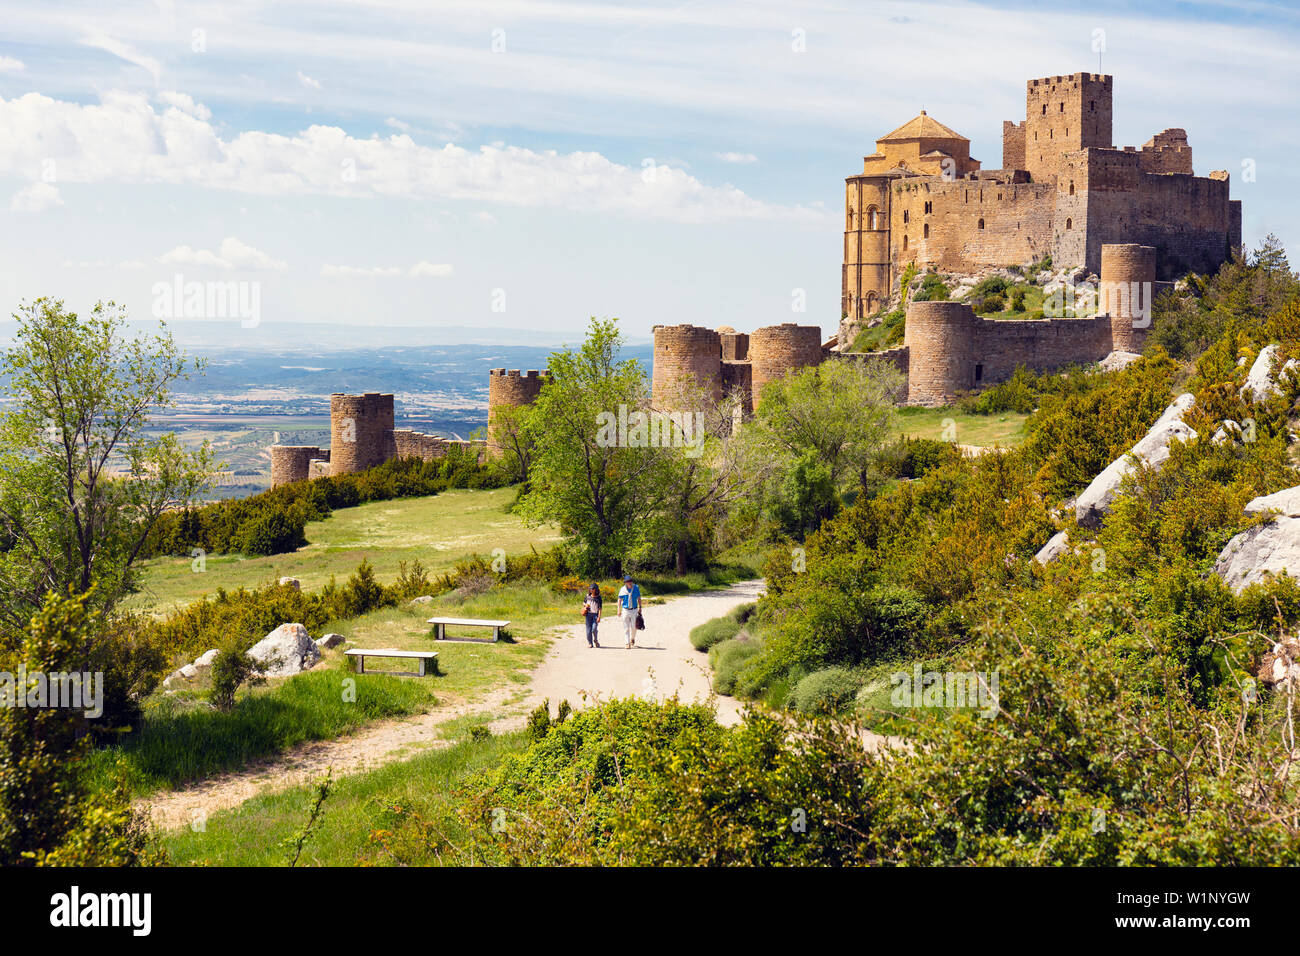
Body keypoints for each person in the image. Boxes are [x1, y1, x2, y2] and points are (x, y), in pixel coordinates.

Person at [617, 574, 641, 649]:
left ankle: (632, 638)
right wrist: (619, 609)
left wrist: (640, 607)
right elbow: (619, 599)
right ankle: (627, 643)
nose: (629, 583)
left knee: (634, 627)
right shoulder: (622, 589)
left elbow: (639, 598)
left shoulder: (636, 588)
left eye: (630, 581)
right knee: (626, 627)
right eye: (628, 581)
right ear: (625, 583)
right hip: (625, 610)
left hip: (634, 609)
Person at [582, 583, 602, 648]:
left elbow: (600, 609)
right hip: (588, 615)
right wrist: (585, 605)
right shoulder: (587, 596)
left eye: (592, 589)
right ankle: (590, 643)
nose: (591, 590)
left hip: (595, 615)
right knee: (588, 630)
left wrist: (599, 617)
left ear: (595, 589)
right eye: (590, 588)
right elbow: (583, 602)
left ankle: (596, 640)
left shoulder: (598, 598)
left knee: (594, 629)